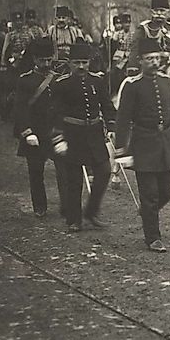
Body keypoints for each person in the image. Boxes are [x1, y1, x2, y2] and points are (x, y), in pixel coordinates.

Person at [115, 37, 170, 252]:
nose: (155, 62)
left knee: (166, 191)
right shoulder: (132, 85)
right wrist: (121, 147)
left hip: (166, 143)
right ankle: (153, 237)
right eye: (149, 59)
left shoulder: (166, 82)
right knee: (148, 193)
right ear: (140, 61)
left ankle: (148, 213)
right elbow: (123, 118)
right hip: (144, 144)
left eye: (157, 58)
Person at [50, 41, 116, 232]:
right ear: (70, 63)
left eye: (84, 62)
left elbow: (107, 106)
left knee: (104, 171)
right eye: (77, 62)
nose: (81, 67)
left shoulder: (98, 81)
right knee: (74, 179)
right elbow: (54, 114)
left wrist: (111, 124)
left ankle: (91, 211)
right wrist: (59, 138)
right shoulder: (61, 84)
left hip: (94, 134)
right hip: (73, 135)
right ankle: (74, 219)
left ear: (89, 63)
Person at [13, 37, 67, 217]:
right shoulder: (25, 80)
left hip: (56, 133)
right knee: (36, 173)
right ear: (35, 59)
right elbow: (20, 109)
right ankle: (40, 207)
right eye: (42, 60)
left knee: (64, 170)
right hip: (35, 133)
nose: (46, 63)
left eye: (49, 59)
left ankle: (66, 205)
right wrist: (27, 132)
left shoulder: (59, 79)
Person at [127, 0, 170, 75]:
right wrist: (133, 67)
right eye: (156, 10)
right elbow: (134, 49)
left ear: (167, 12)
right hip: (149, 67)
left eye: (162, 11)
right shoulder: (144, 28)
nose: (159, 13)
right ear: (151, 12)